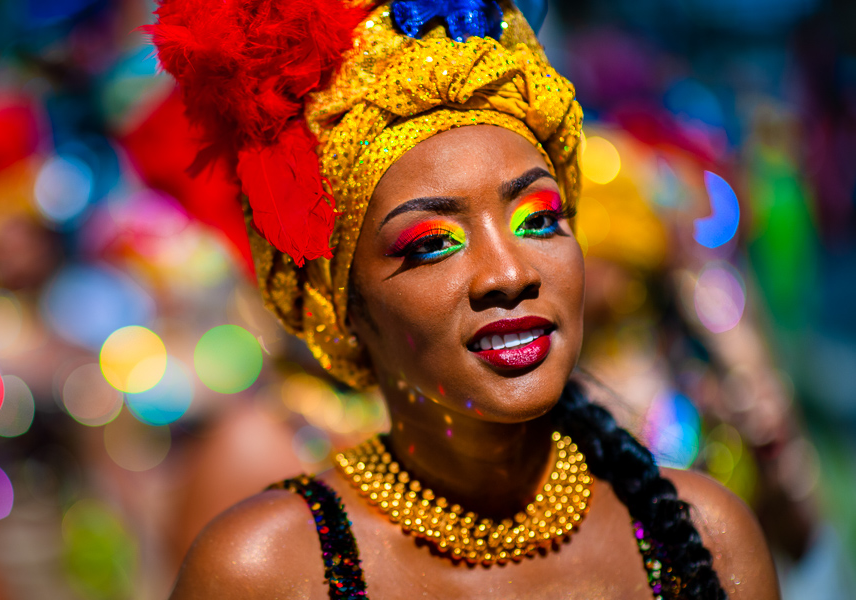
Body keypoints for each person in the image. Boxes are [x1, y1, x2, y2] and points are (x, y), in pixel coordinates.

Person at [148, 0, 780, 597]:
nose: (508, 273)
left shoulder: (706, 535)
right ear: (342, 309)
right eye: (430, 245)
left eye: (538, 220)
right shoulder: (265, 571)